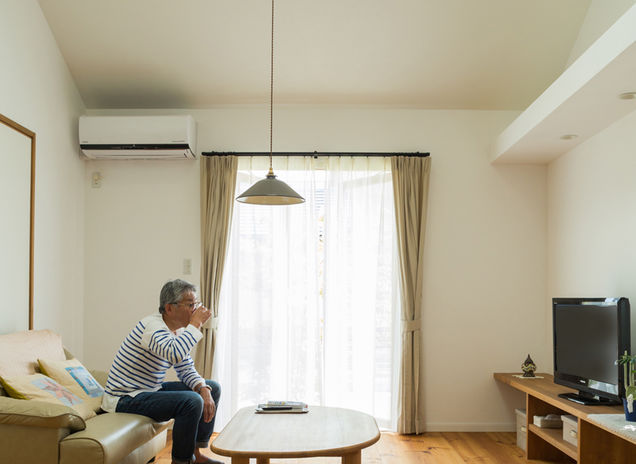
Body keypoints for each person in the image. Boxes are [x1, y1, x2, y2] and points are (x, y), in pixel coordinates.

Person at [102, 279, 222, 464]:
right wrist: (196, 323)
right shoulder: (152, 328)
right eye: (190, 305)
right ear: (169, 308)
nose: (195, 310)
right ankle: (181, 461)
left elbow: (185, 368)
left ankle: (195, 454)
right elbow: (174, 353)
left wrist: (204, 388)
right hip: (125, 397)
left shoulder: (176, 331)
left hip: (149, 390)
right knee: (191, 401)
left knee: (212, 388)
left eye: (196, 304)